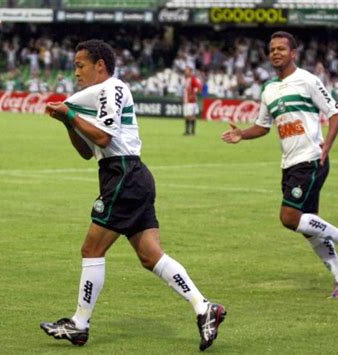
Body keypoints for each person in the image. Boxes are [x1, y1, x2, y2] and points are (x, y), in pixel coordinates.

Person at [40, 39, 226, 351]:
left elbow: (104, 136)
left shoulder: (113, 87)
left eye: (80, 65)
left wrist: (71, 116)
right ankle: (205, 308)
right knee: (150, 255)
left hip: (124, 175)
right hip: (129, 176)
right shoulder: (99, 97)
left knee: (91, 250)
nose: (76, 73)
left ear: (100, 65)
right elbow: (87, 152)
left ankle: (79, 324)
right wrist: (67, 123)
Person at [221, 31, 338, 299]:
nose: (275, 52)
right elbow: (262, 127)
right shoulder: (269, 90)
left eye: (281, 49)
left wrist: (327, 145)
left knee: (289, 217)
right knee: (309, 227)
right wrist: (242, 134)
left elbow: (334, 114)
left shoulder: (308, 80)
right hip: (289, 164)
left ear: (293, 53)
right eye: (272, 49)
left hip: (311, 159)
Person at [183, 66, 202, 136]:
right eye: (185, 71)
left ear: (190, 72)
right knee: (186, 116)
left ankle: (192, 131)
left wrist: (194, 94)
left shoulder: (193, 79)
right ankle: (187, 131)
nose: (185, 72)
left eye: (187, 71)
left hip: (191, 101)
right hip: (186, 100)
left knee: (191, 115)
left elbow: (199, 87)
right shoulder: (186, 79)